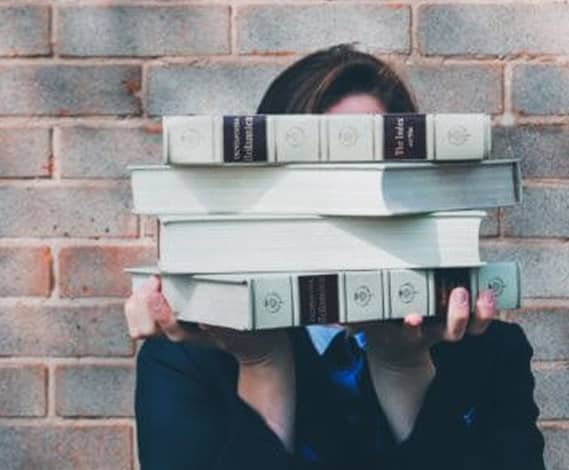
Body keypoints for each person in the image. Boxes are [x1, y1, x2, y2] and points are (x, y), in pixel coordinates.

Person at [125, 43, 545, 470]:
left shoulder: (489, 351)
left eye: (370, 178)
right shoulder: (191, 357)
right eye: (317, 181)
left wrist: (405, 370)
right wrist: (262, 365)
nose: (349, 211)